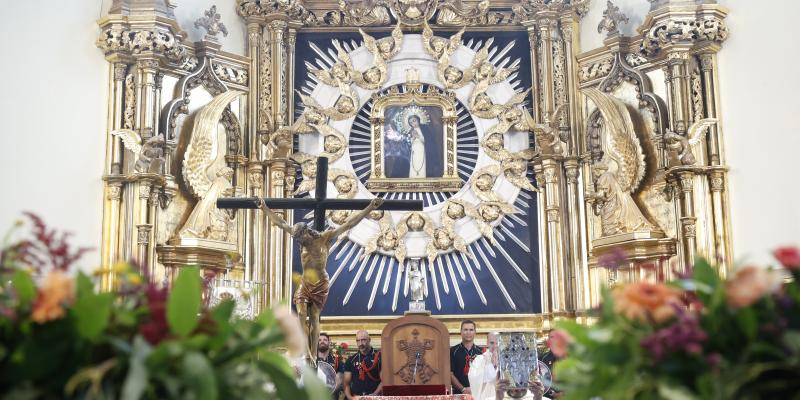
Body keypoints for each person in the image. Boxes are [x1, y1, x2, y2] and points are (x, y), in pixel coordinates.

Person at [344, 330, 382, 399]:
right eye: (358, 341)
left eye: (363, 340)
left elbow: (384, 381)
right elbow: (346, 383)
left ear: (369, 340)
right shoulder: (351, 360)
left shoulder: (380, 357)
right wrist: (350, 398)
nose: (361, 343)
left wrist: (374, 394)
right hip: (356, 398)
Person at [450, 320, 482, 394]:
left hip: (477, 393)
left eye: (471, 330)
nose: (468, 332)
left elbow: (484, 375)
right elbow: (450, 374)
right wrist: (463, 389)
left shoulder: (481, 352)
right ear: (461, 332)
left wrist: (475, 388)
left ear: (475, 332)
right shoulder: (452, 351)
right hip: (458, 393)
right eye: (465, 330)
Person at [468, 332, 500, 400]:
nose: (495, 346)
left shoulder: (508, 360)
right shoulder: (479, 359)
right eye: (492, 343)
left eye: (497, 343)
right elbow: (473, 378)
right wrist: (492, 366)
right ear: (487, 343)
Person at [318, 332, 344, 398]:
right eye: (319, 340)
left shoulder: (337, 360)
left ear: (329, 342)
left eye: (325, 340)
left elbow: (341, 378)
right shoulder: (311, 360)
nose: (322, 342)